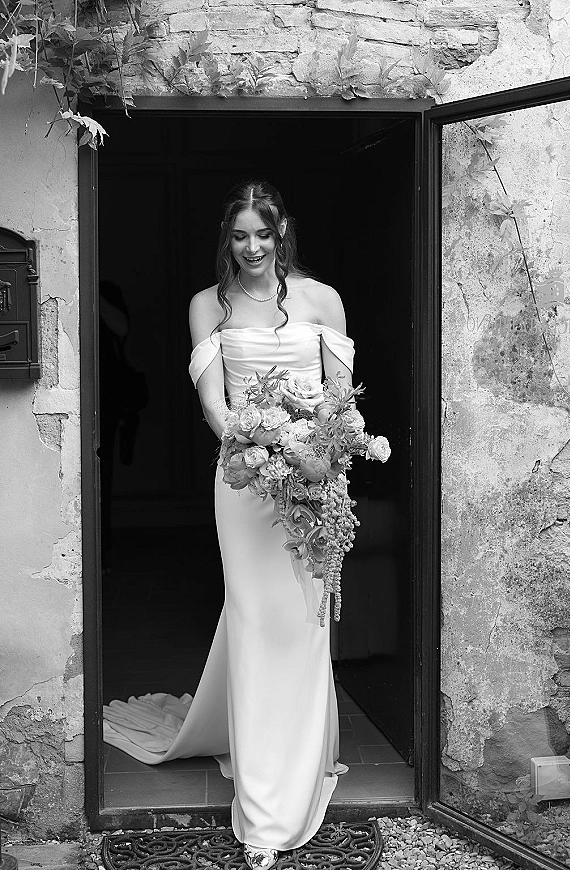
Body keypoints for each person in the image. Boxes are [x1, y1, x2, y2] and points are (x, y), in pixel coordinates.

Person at [103, 181, 355, 868]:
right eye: (239, 235)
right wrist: (259, 443)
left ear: (282, 235)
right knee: (252, 618)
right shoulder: (206, 306)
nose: (251, 248)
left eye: (262, 235)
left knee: (302, 622)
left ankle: (304, 766)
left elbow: (341, 398)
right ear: (228, 237)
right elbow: (214, 406)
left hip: (314, 482)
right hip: (242, 484)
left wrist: (316, 454)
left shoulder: (321, 299)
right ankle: (263, 808)